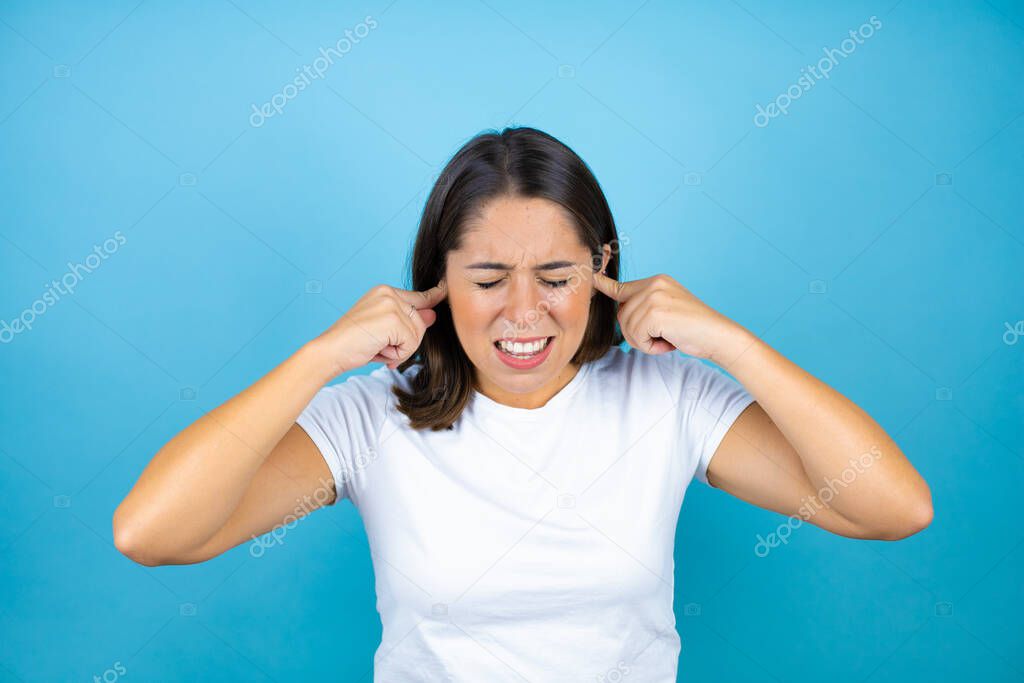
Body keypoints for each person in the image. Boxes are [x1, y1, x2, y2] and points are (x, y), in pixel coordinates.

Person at [112, 126, 933, 681]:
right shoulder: (371, 418)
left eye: (556, 276)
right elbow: (151, 533)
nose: (524, 312)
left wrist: (731, 342)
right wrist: (319, 356)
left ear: (603, 264)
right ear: (438, 275)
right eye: (488, 278)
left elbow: (893, 506)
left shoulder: (672, 397)